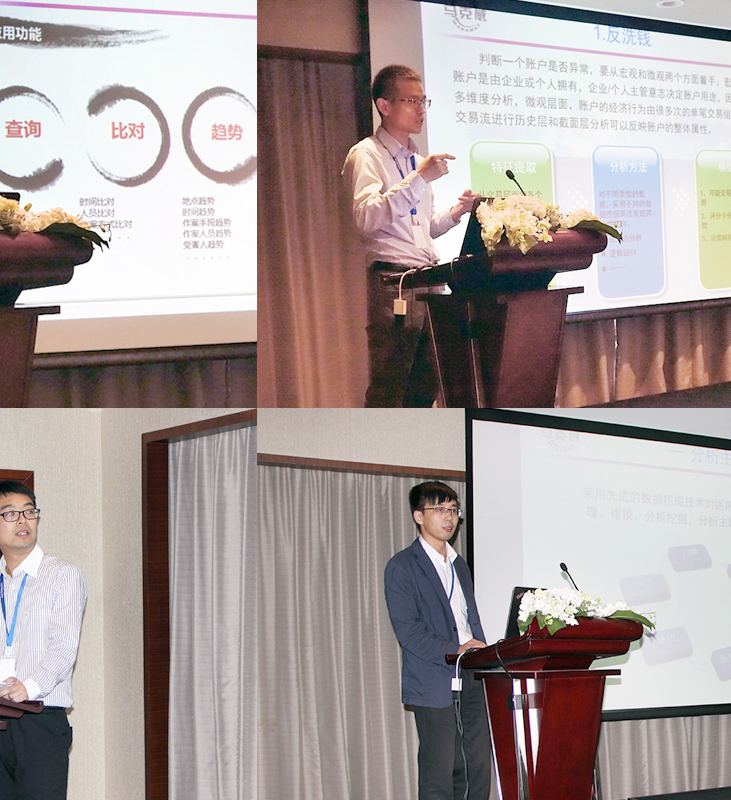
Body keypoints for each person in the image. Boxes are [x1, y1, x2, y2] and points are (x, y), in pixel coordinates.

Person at [342, 65, 478, 407]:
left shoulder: (417, 160)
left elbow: (423, 228)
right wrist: (419, 179)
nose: (421, 110)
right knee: (390, 388)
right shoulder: (367, 154)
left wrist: (456, 212)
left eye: (423, 101)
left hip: (430, 280)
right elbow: (366, 216)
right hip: (395, 284)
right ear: (384, 106)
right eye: (411, 101)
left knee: (424, 388)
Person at [0, 480, 87, 799]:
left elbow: (64, 646)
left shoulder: (63, 575)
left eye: (29, 511)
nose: (23, 520)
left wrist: (29, 687)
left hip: (40, 720)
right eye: (10, 514)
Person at [383, 481, 490, 800]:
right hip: (433, 678)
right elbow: (409, 631)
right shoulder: (402, 566)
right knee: (439, 773)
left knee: (476, 768)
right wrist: (454, 650)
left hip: (471, 674)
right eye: (439, 509)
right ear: (418, 516)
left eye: (454, 510)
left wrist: (484, 656)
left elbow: (469, 621)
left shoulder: (459, 565)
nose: (449, 517)